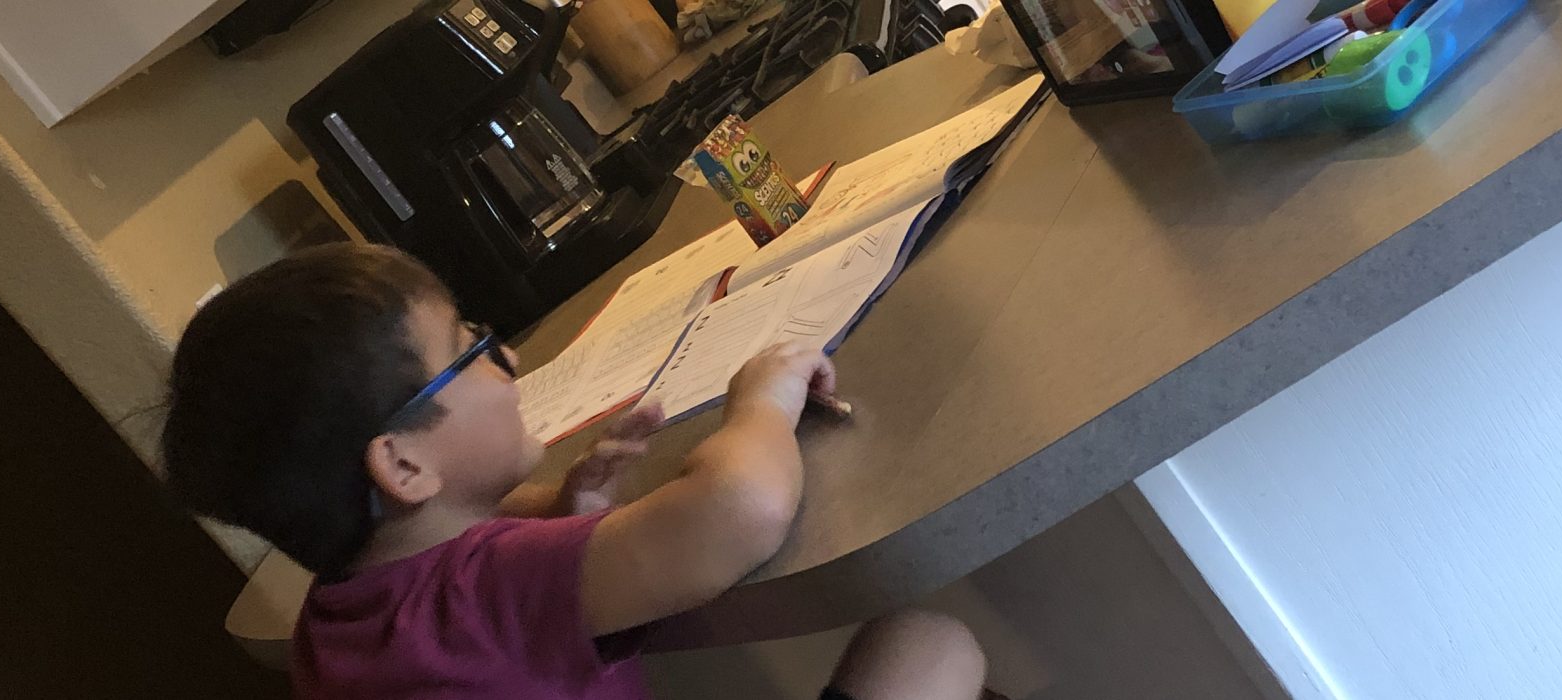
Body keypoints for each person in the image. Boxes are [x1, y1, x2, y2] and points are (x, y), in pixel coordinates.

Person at [162, 243, 989, 699]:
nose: (511, 359)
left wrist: (564, 511)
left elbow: (484, 600)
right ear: (403, 464)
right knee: (931, 646)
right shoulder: (484, 589)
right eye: (472, 351)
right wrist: (763, 400)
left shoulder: (334, 623)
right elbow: (741, 508)